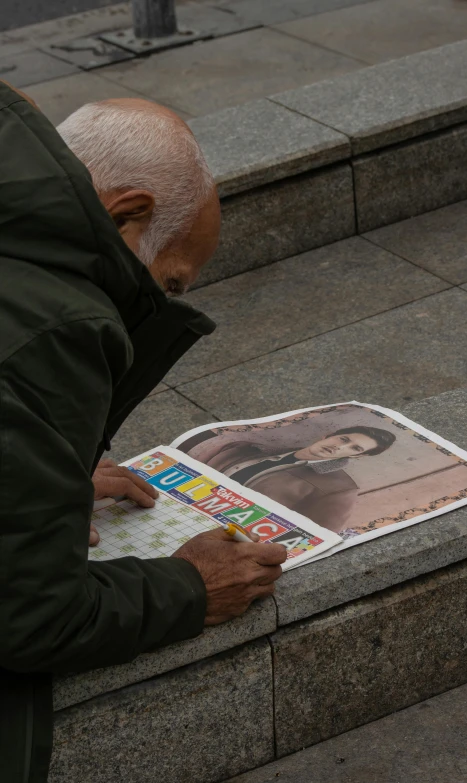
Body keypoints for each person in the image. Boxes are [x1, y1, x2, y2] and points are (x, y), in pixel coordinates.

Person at [0, 83, 286, 783]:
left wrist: (42, 464)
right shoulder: (57, 323)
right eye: (169, 283)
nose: (157, 303)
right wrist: (189, 586)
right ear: (129, 213)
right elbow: (33, 619)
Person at [204, 426, 396, 532]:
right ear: (328, 434)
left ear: (358, 457)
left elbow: (316, 537)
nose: (339, 448)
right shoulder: (246, 448)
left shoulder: (340, 490)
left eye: (355, 448)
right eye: (344, 439)